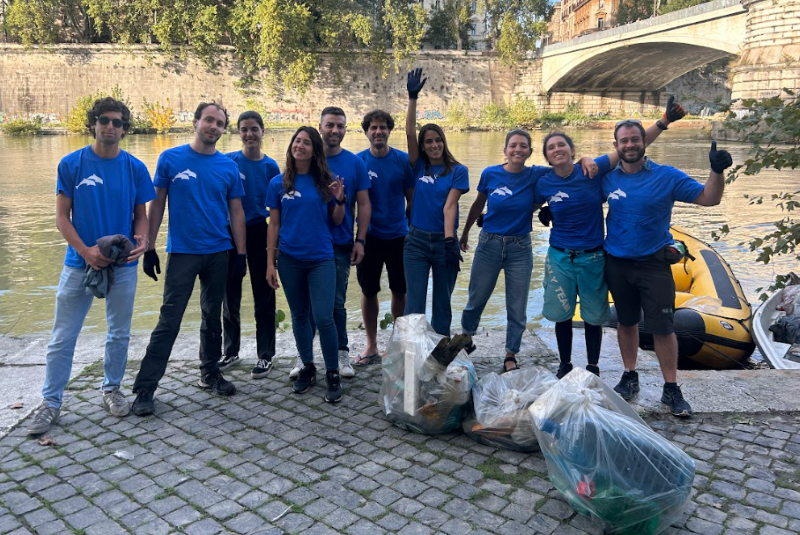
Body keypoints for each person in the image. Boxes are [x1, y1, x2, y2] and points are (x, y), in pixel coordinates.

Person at [28, 97, 155, 435]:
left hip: (122, 264)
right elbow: (61, 217)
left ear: (124, 129)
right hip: (79, 262)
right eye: (104, 120)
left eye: (117, 122)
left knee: (119, 332)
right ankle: (50, 402)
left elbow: (140, 217)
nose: (110, 126)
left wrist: (143, 240)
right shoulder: (72, 164)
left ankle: (111, 389)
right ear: (93, 124)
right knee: (62, 337)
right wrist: (85, 251)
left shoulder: (135, 168)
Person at [535, 98, 685, 380]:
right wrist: (540, 210)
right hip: (560, 256)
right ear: (546, 156)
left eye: (561, 145)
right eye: (551, 147)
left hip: (593, 255)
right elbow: (523, 201)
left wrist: (663, 122)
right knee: (562, 314)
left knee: (593, 315)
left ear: (572, 150)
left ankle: (593, 366)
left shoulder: (592, 170)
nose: (557, 150)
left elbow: (632, 147)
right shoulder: (543, 181)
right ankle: (564, 364)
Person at [604, 120, 732, 417]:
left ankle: (671, 387)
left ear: (644, 142)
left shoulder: (667, 176)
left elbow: (709, 198)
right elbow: (578, 196)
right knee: (626, 322)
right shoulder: (607, 178)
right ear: (616, 146)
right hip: (617, 263)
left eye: (635, 139)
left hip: (654, 264)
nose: (630, 145)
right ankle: (629, 375)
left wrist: (717, 171)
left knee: (663, 327)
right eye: (624, 141)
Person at [131, 102, 247, 416]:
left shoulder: (228, 167)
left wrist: (240, 253)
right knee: (169, 319)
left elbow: (237, 212)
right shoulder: (170, 158)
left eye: (220, 123)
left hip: (218, 252)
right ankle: (145, 387)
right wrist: (149, 247)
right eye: (209, 120)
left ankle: (210, 372)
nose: (214, 127)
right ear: (195, 122)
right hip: (182, 252)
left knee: (212, 316)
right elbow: (156, 204)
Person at [459, 130, 598, 373]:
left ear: (530, 152)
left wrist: (585, 159)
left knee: (517, 304)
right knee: (476, 298)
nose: (518, 150)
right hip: (489, 244)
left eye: (523, 146)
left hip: (520, 248)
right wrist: (465, 232)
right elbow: (479, 203)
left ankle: (510, 354)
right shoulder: (490, 173)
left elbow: (564, 168)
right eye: (513, 145)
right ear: (505, 150)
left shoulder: (537, 174)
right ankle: (466, 339)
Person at [286, 107, 371, 381]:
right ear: (320, 127)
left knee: (335, 304)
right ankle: (305, 356)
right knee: (305, 307)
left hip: (339, 242)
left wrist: (360, 239)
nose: (335, 130)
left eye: (340, 126)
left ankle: (341, 352)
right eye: (330, 125)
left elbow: (364, 204)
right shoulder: (305, 161)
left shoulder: (355, 163)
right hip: (305, 244)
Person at [266, 127, 347, 403]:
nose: (299, 146)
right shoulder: (278, 183)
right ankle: (308, 367)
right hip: (290, 259)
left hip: (321, 258)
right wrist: (270, 262)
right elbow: (274, 225)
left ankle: (332, 372)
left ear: (315, 150)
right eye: (297, 141)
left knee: (324, 317)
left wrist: (339, 199)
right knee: (300, 315)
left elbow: (337, 220)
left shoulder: (326, 182)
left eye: (306, 143)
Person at [404, 68, 469, 335]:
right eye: (429, 141)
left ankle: (440, 352)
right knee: (414, 303)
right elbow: (410, 133)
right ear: (423, 146)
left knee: (442, 304)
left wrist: (450, 242)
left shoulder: (458, 171)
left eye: (438, 140)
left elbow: (449, 206)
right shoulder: (418, 166)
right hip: (416, 242)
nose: (434, 145)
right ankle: (412, 353)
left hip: (444, 243)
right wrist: (412, 98)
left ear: (444, 141)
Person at [219, 111, 280, 379]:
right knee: (229, 294)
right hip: (230, 233)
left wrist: (277, 247)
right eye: (244, 129)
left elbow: (277, 209)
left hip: (259, 232)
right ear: (238, 133)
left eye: (254, 129)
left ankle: (265, 355)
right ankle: (230, 350)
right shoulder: (229, 161)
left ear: (262, 131)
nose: (249, 134)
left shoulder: (270, 167)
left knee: (264, 294)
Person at [354, 110, 415, 366]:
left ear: (390, 130)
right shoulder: (358, 162)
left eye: (382, 127)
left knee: (400, 291)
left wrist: (411, 230)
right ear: (366, 132)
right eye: (373, 127)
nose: (378, 131)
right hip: (369, 237)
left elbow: (412, 200)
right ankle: (371, 345)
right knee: (369, 291)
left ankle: (396, 345)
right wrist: (357, 238)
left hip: (399, 236)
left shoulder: (402, 161)